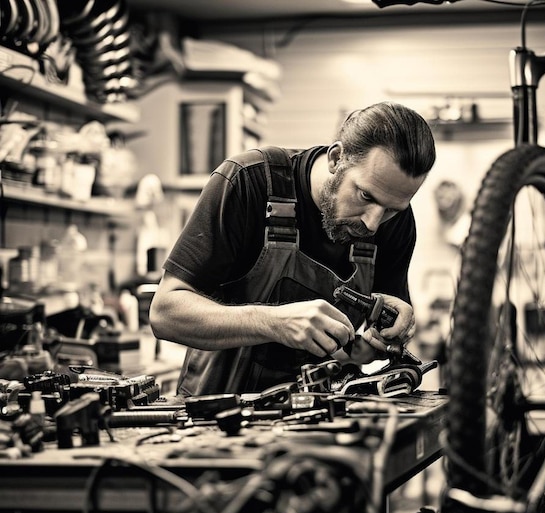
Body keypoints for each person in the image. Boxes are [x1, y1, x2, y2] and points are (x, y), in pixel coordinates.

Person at [149, 101, 436, 396]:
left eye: (392, 209)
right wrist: (273, 322)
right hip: (216, 415)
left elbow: (367, 345)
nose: (374, 224)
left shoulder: (395, 222)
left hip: (319, 420)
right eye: (365, 195)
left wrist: (375, 344)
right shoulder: (248, 182)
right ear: (336, 159)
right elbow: (165, 314)